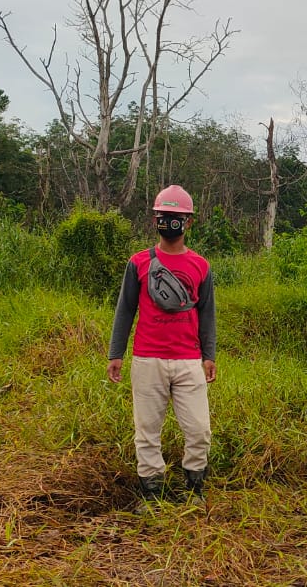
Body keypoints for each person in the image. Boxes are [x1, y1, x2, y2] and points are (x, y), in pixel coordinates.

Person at [107, 185, 217, 510]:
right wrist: (116, 353)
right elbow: (125, 309)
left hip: (188, 361)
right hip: (147, 358)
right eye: (165, 217)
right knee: (147, 431)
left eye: (177, 218)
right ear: (155, 219)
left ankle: (194, 488)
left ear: (189, 222)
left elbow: (207, 313)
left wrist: (209, 355)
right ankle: (152, 493)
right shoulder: (138, 262)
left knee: (199, 429)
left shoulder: (201, 266)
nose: (171, 222)